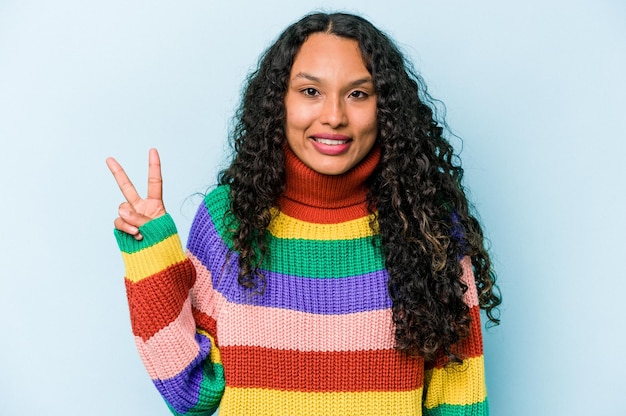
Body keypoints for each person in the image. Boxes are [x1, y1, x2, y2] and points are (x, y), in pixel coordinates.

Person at [107, 11, 500, 416]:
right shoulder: (230, 220)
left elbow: (459, 401)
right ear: (279, 101)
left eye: (358, 93)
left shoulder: (426, 225)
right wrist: (152, 254)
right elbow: (192, 395)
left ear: (387, 109)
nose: (333, 116)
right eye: (310, 91)